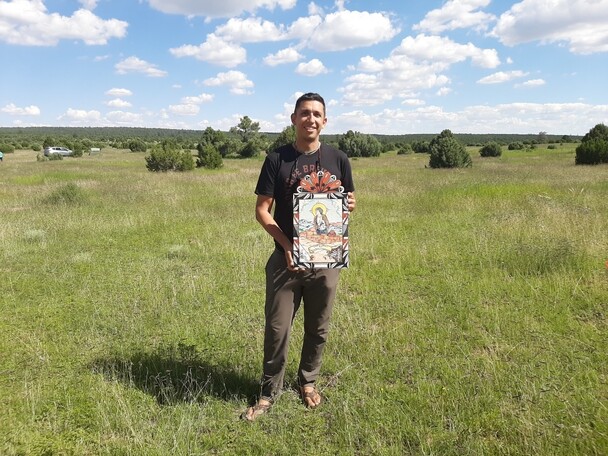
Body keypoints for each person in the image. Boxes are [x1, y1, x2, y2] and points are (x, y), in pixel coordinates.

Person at [243, 92, 356, 421]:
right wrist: (286, 245)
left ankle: (308, 382)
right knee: (277, 329)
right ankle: (268, 392)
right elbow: (262, 210)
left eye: (317, 114)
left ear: (325, 121)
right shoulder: (278, 159)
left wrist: (349, 205)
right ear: (294, 119)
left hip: (325, 257)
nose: (310, 119)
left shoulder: (338, 159)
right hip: (285, 260)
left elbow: (349, 200)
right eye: (304, 113)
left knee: (318, 327)